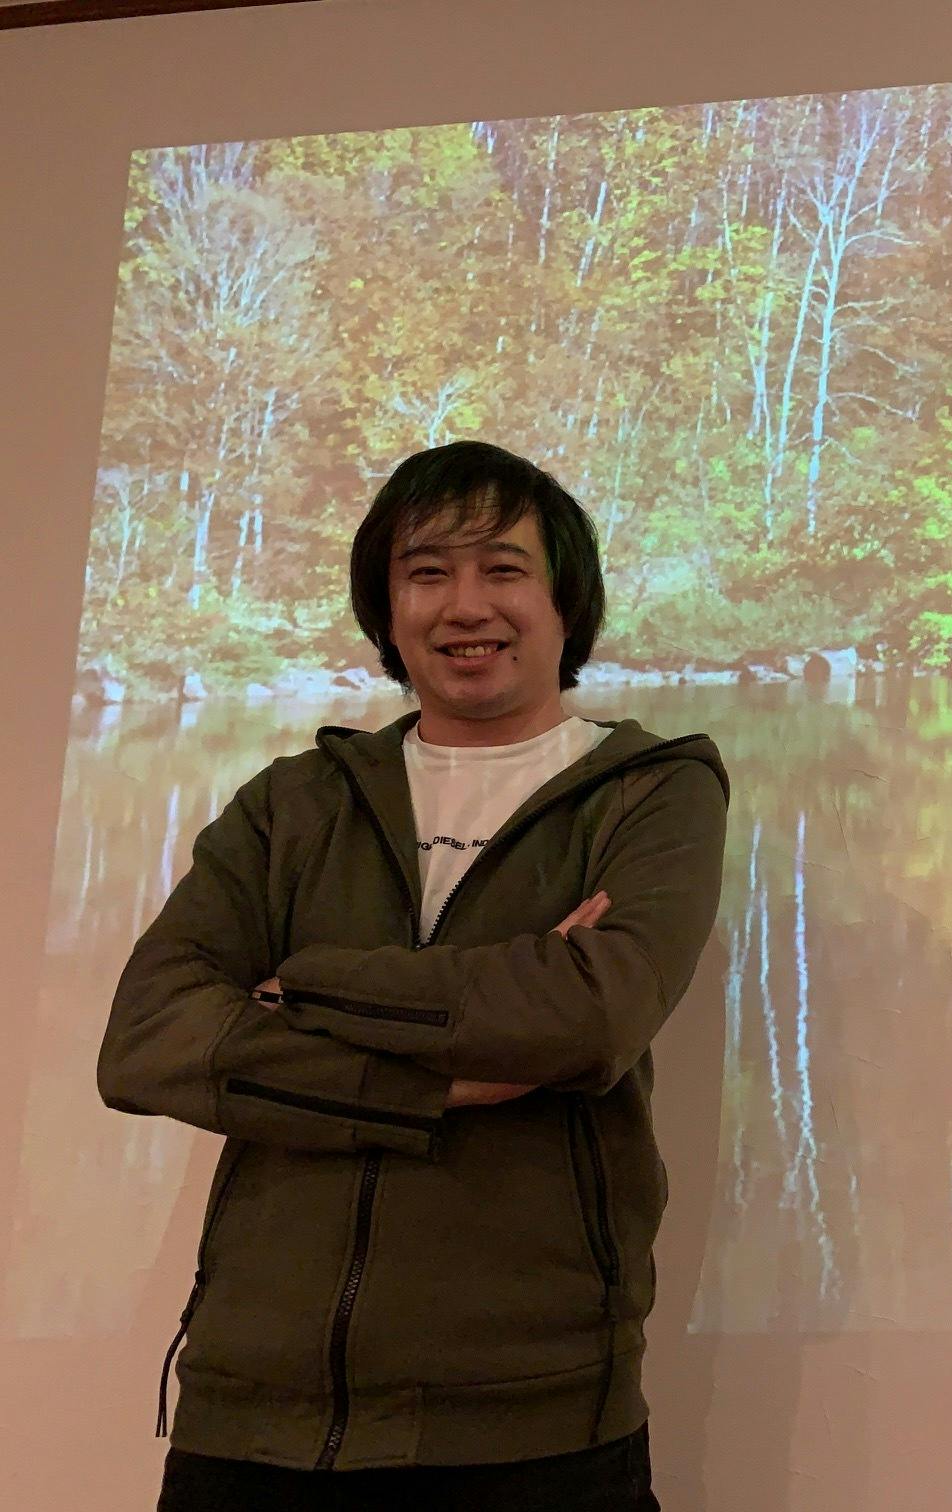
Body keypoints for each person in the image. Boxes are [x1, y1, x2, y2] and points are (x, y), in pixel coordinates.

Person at [96, 440, 730, 1511]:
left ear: (566, 600)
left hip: (535, 1419)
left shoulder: (651, 791)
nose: (464, 605)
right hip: (251, 1418)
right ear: (386, 610)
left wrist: (296, 986)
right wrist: (427, 1083)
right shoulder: (291, 803)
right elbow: (147, 1038)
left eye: (503, 569)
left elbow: (588, 1019)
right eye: (427, 572)